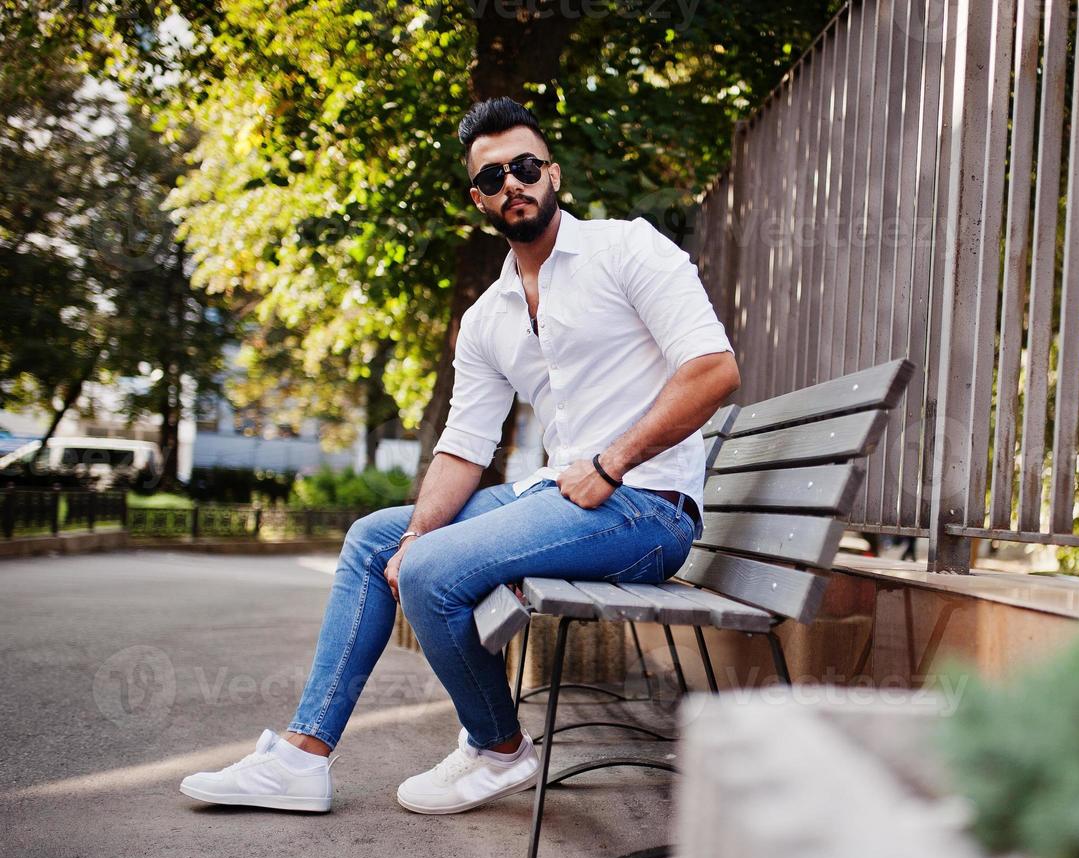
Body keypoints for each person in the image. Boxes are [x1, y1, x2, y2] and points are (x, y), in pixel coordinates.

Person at [179, 97, 739, 815]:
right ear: (478, 198)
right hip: (555, 498)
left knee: (434, 570)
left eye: (526, 166)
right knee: (376, 540)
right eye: (493, 176)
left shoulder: (626, 248)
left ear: (552, 173)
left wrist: (609, 464)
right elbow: (462, 449)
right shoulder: (485, 318)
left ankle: (498, 749)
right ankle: (302, 757)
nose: (513, 183)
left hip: (645, 510)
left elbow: (712, 370)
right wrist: (415, 531)